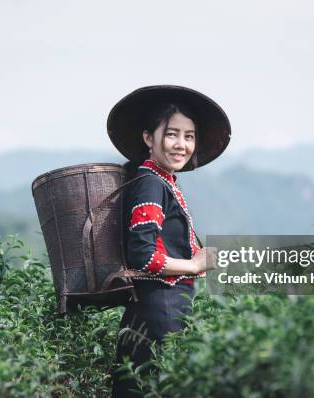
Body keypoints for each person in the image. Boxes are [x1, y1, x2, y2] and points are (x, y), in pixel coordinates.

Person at [106, 85, 231, 397]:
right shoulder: (150, 184)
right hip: (157, 318)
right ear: (149, 138)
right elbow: (142, 255)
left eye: (189, 136)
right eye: (172, 134)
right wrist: (192, 265)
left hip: (159, 315)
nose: (181, 144)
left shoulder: (160, 181)